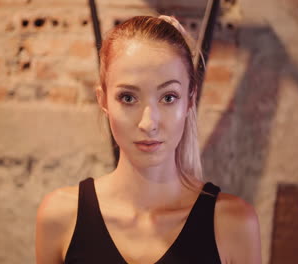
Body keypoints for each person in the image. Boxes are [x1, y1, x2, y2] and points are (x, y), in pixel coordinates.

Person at [35, 15, 261, 264]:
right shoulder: (60, 216)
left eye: (168, 97)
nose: (148, 123)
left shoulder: (233, 225)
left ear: (190, 100)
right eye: (128, 98)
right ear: (103, 100)